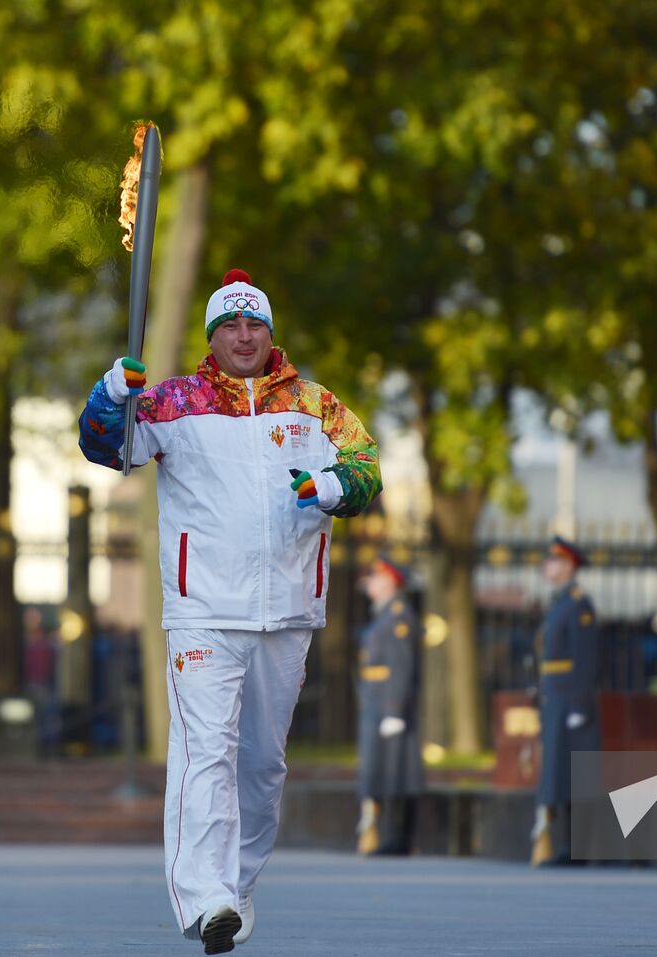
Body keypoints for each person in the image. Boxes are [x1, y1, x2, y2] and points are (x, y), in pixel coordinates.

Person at [79, 268, 382, 954]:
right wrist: (110, 396)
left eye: (254, 326)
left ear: (269, 333)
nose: (242, 337)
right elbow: (106, 446)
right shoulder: (173, 402)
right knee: (204, 753)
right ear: (212, 337)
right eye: (229, 326)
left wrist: (330, 485)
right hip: (204, 609)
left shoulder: (314, 404)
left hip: (288, 610)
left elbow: (367, 467)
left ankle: (238, 883)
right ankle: (206, 895)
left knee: (262, 765)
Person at [531, 535, 601, 866]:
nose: (548, 566)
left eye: (554, 561)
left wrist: (579, 704)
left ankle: (577, 847)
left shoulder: (577, 604)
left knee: (573, 774)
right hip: (555, 696)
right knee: (557, 772)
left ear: (570, 566)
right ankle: (563, 845)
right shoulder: (559, 602)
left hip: (571, 699)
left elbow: (586, 658)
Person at [355, 557, 424, 856]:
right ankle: (384, 835)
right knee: (380, 770)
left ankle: (397, 839)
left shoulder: (398, 616)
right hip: (376, 702)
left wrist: (395, 711)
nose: (369, 584)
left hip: (388, 705)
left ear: (390, 582)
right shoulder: (383, 615)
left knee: (396, 771)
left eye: (375, 578)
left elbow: (401, 665)